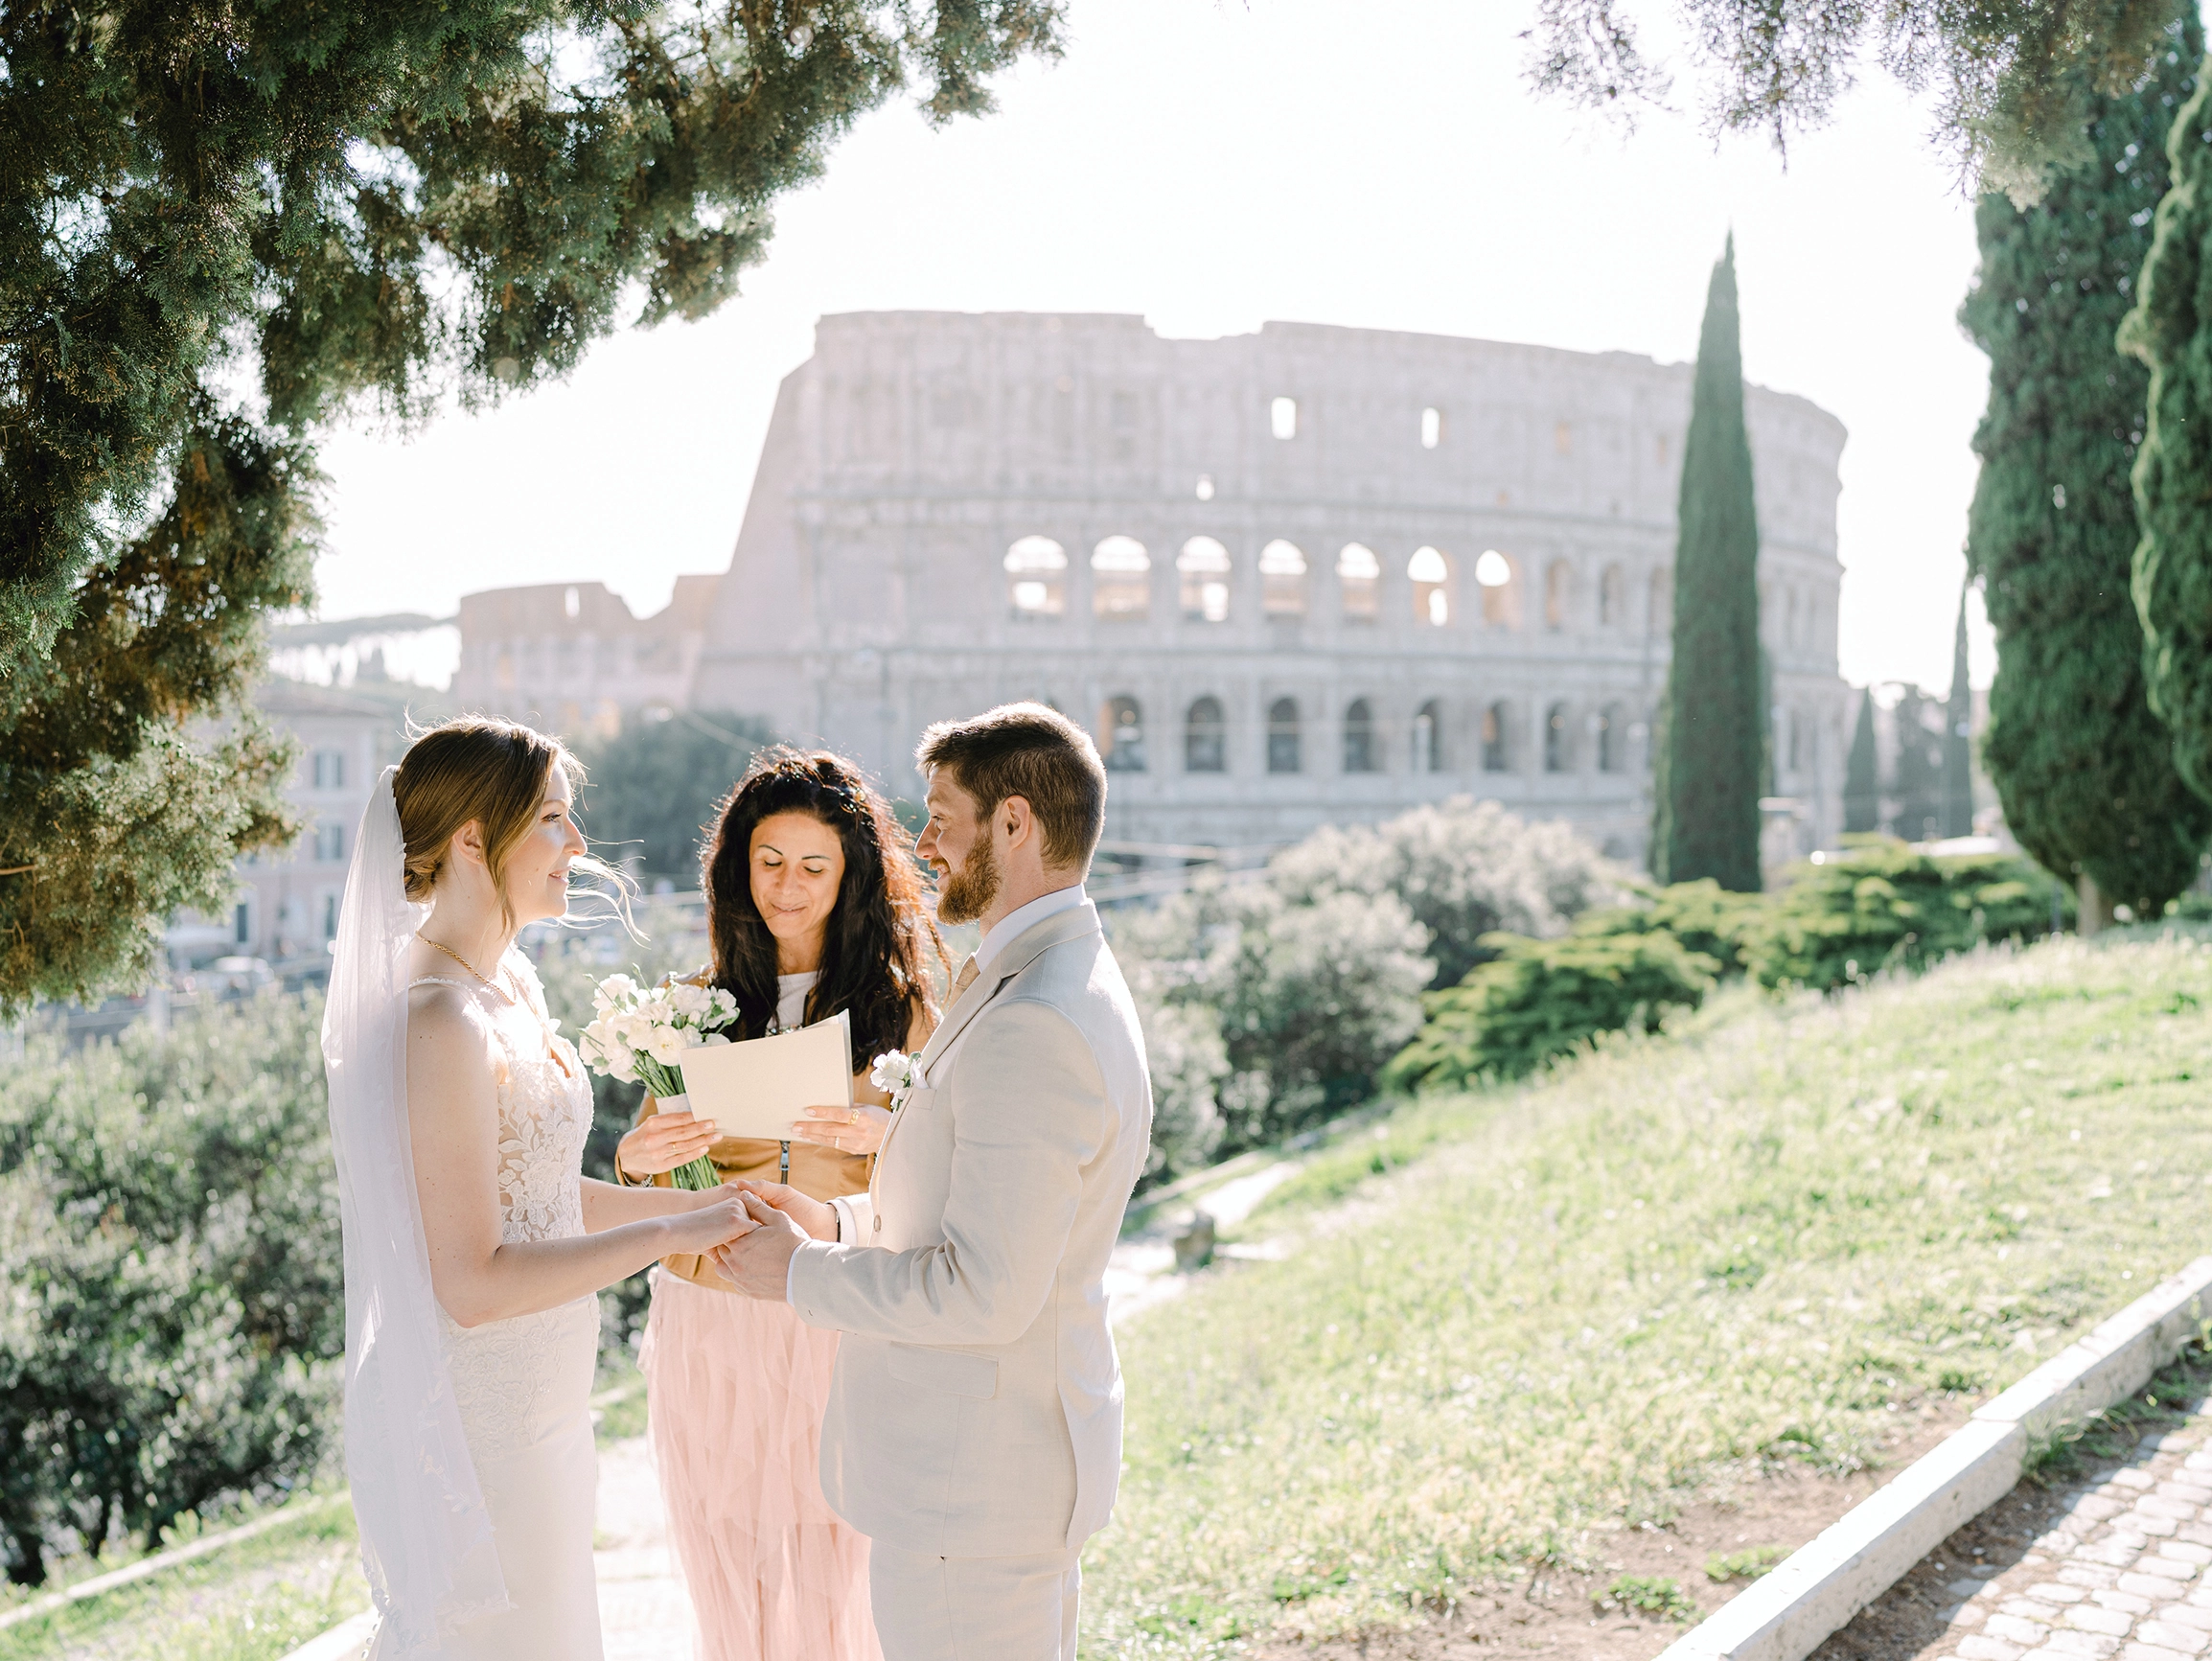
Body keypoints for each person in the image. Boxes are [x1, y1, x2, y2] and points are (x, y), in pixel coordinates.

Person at [713, 704, 1153, 1661]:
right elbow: (981, 1208)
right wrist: (840, 1213)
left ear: (1013, 822)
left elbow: (983, 1288)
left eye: (941, 811)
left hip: (976, 1491)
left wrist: (801, 1267)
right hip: (992, 1475)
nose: (923, 840)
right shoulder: (1043, 973)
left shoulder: (1034, 1016)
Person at [326, 718, 757, 1661]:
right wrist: (670, 1232)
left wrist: (717, 1208)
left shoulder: (508, 983)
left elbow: (544, 1198)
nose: (578, 845)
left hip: (548, 1402)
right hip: (486, 1427)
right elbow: (473, 1283)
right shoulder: (438, 1020)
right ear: (476, 839)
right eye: (554, 818)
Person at [613, 749, 944, 1661]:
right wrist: (634, 1155)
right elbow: (647, 1172)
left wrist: (887, 1141)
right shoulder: (686, 1005)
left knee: (848, 1555)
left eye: (813, 865)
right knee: (736, 1556)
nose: (787, 887)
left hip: (843, 1305)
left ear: (852, 874)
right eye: (769, 862)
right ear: (737, 867)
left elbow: (948, 1176)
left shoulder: (909, 1011)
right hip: (712, 1315)